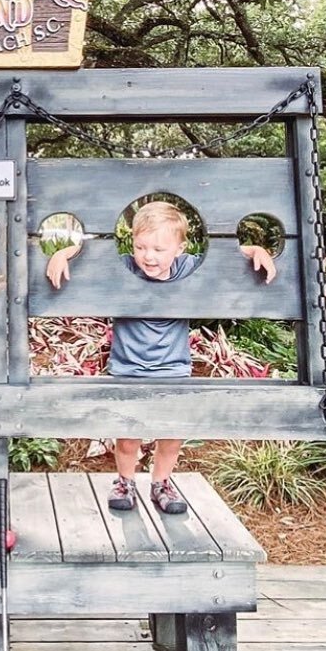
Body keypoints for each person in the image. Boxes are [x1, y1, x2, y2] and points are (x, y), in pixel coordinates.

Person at [45, 200, 276, 516]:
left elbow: (227, 257)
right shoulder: (124, 266)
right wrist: (62, 252)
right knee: (127, 436)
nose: (148, 256)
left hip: (173, 368)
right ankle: (125, 481)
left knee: (172, 433)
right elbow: (89, 254)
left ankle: (161, 483)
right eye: (141, 246)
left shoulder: (187, 268)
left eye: (158, 249)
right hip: (127, 367)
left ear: (180, 249)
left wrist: (257, 251)